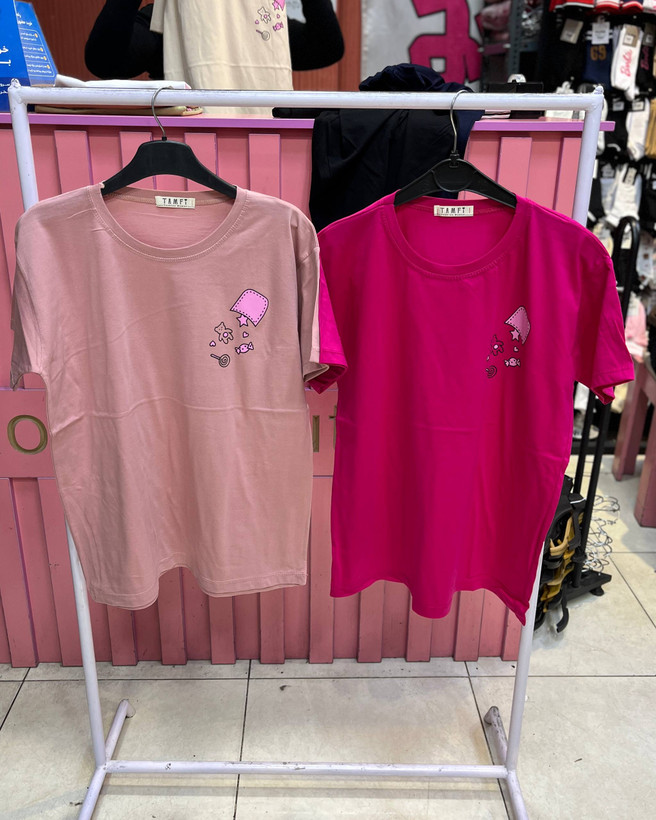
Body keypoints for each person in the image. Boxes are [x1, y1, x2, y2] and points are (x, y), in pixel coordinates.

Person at [85, 0, 344, 80]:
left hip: (260, 164)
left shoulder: (260, 26)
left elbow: (327, 46)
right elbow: (104, 60)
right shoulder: (170, 24)